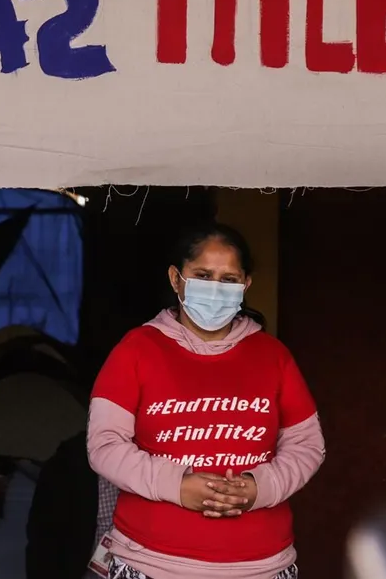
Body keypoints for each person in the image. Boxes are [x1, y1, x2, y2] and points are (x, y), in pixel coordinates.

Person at [88, 223, 325, 579]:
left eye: (229, 279)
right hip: (151, 564)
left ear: (245, 285)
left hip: (262, 567)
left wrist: (259, 487)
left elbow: (307, 445)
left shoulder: (273, 356)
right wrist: (177, 486)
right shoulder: (136, 350)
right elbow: (104, 446)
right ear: (176, 278)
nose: (215, 289)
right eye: (203, 275)